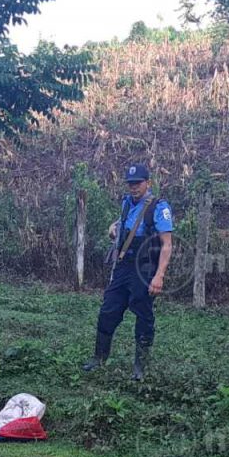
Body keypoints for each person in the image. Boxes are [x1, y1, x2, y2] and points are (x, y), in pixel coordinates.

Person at [82, 163, 174, 381]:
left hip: (145, 268)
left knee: (143, 315)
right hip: (123, 265)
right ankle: (99, 357)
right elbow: (123, 226)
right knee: (108, 309)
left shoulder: (159, 208)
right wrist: (113, 230)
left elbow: (167, 244)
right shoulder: (126, 203)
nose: (134, 187)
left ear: (148, 183)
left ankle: (140, 367)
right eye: (131, 184)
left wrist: (159, 275)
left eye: (138, 183)